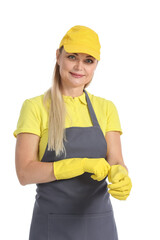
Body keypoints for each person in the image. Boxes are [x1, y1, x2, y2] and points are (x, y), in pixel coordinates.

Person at [13, 25, 132, 240]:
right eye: (72, 57)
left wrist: (121, 174)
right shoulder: (35, 107)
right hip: (52, 226)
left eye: (88, 60)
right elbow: (24, 173)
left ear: (96, 65)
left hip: (99, 225)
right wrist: (81, 164)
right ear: (58, 56)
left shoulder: (106, 108)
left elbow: (116, 160)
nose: (79, 67)